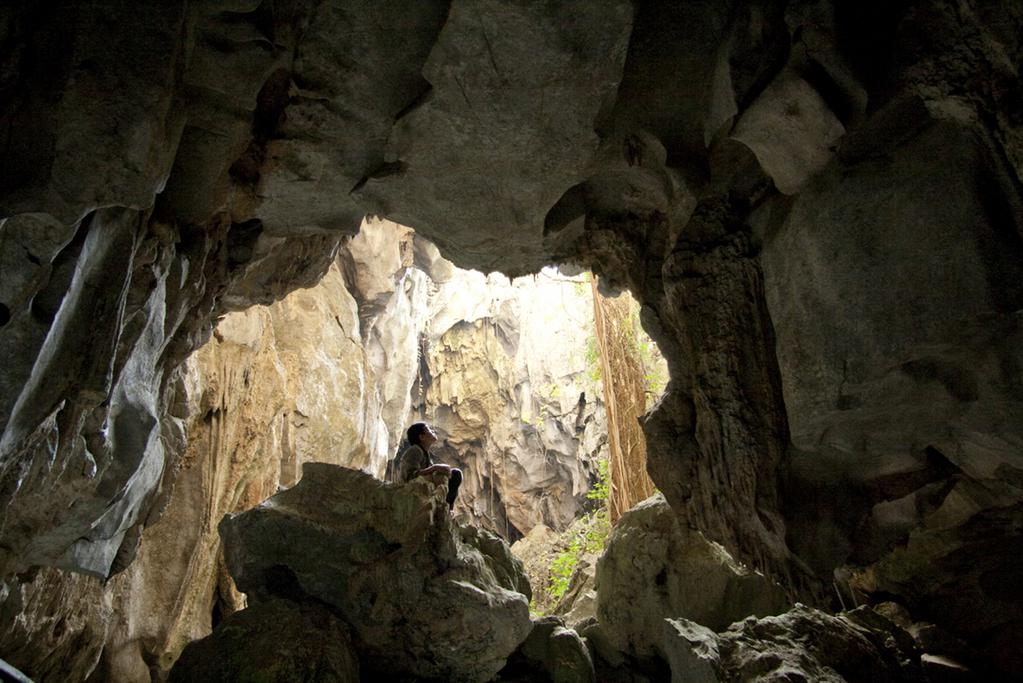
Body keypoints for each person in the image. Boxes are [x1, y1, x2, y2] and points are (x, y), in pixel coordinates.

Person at [394, 422, 462, 511]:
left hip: (422, 489)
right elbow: (409, 476)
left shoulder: (424, 453)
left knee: (455, 474)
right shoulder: (415, 450)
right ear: (422, 437)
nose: (432, 431)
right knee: (444, 475)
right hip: (410, 493)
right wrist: (435, 468)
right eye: (428, 429)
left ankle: (447, 509)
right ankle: (444, 509)